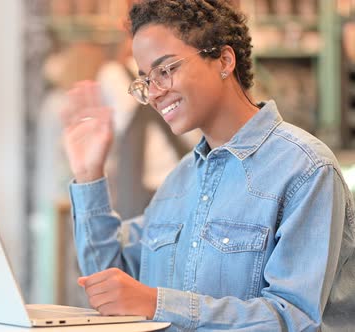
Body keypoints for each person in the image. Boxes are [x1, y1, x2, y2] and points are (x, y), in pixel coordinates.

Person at [59, 0, 355, 331]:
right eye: (145, 80)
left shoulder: (306, 170)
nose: (154, 93)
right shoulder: (179, 181)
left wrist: (157, 304)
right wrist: (88, 175)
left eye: (166, 70)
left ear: (224, 60)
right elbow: (110, 288)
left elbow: (296, 319)